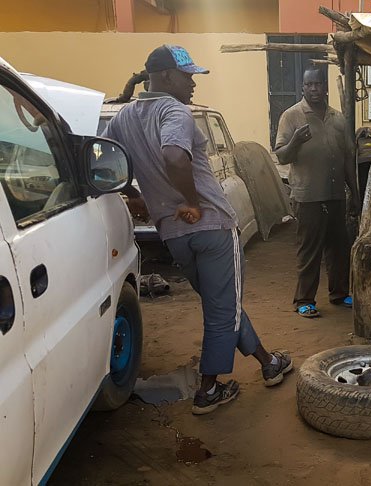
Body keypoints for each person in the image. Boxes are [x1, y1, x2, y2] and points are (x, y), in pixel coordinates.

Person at [102, 45, 293, 415]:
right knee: (223, 310)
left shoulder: (125, 117)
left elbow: (104, 158)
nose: (193, 83)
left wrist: (132, 194)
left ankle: (269, 363)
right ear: (166, 76)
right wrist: (191, 200)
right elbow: (174, 155)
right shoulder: (173, 110)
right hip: (211, 227)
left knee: (222, 303)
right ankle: (209, 390)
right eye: (187, 75)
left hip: (174, 234)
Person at [274, 67, 359, 318]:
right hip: (308, 196)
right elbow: (281, 156)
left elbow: (346, 160)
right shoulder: (291, 117)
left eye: (318, 84)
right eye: (309, 84)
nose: (314, 89)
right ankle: (304, 300)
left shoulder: (339, 119)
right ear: (302, 87)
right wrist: (295, 141)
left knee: (339, 249)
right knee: (309, 250)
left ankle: (340, 293)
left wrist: (354, 192)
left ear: (325, 87)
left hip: (334, 195)